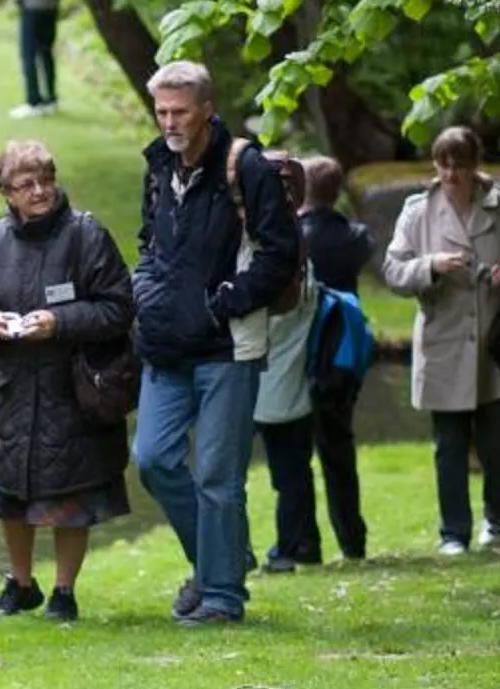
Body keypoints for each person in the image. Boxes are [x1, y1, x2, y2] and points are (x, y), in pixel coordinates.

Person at [130, 60, 298, 625]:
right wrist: (146, 290)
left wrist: (224, 302)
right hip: (167, 344)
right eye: (161, 112)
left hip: (228, 345)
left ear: (206, 109)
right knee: (152, 458)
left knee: (218, 478)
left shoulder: (243, 165)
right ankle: (220, 559)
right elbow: (149, 243)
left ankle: (223, 595)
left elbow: (280, 255)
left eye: (179, 111)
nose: (169, 122)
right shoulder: (158, 167)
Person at [0, 140, 134, 623]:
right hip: (13, 389)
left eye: (45, 180)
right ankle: (20, 583)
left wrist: (59, 322)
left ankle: (63, 592)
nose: (39, 191)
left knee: (70, 500)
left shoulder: (87, 235)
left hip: (72, 389)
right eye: (26, 184)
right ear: (6, 193)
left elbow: (119, 307)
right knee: (10, 496)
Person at [379, 126, 500, 555]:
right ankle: (453, 532)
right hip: (443, 341)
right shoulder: (418, 211)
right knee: (448, 446)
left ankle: (497, 519)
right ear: (435, 164)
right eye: (444, 164)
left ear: (476, 164)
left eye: (461, 165)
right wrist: (431, 265)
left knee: (494, 443)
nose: (452, 174)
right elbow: (393, 271)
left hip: (495, 342)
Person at [294, 153, 373, 562]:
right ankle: (352, 539)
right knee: (339, 450)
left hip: (302, 352)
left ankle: (305, 544)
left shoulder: (296, 238)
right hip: (343, 353)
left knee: (297, 455)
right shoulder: (354, 238)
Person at [252, 154, 324, 572]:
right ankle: (303, 544)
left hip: (277, 377)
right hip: (285, 376)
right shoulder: (295, 237)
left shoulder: (281, 246)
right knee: (294, 468)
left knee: (289, 472)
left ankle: (290, 548)